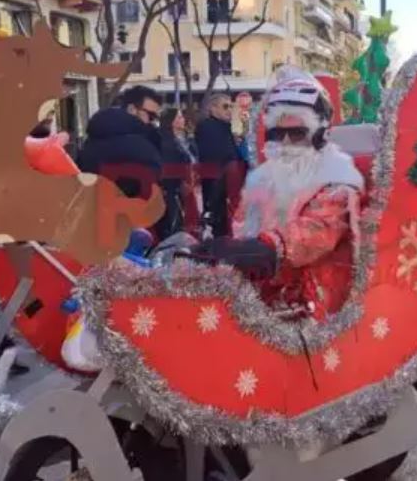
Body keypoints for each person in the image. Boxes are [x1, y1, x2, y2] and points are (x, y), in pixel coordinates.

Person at [192, 67, 365, 321]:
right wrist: (229, 247)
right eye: (277, 133)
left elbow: (320, 229)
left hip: (314, 301)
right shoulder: (264, 178)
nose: (284, 142)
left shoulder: (336, 178)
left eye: (295, 133)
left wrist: (269, 246)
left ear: (319, 133)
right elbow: (242, 221)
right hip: (263, 291)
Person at [76, 85, 163, 199]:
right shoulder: (141, 144)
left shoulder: (93, 137)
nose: (152, 122)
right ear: (132, 109)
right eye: (150, 116)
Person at [194, 93, 245, 238]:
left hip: (228, 186)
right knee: (219, 226)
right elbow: (218, 156)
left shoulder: (227, 127)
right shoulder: (207, 127)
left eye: (231, 106)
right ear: (213, 108)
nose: (229, 110)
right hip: (217, 187)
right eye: (225, 106)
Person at [156, 108, 200, 240]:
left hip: (189, 185)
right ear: (170, 121)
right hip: (173, 188)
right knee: (175, 221)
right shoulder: (165, 141)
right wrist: (179, 182)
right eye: (179, 117)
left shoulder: (184, 139)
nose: (183, 120)